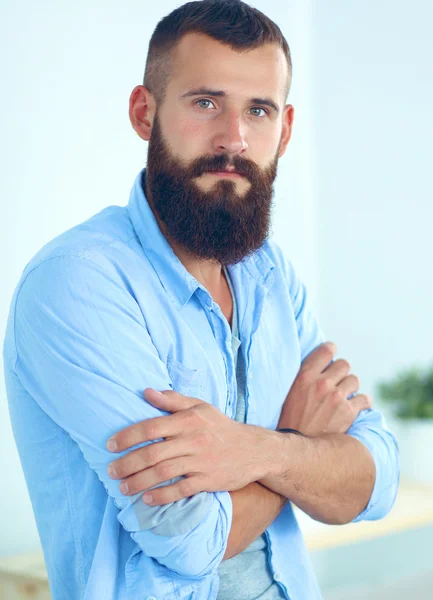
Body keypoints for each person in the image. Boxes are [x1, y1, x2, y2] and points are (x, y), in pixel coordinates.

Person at [2, 1, 399, 599]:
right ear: (145, 112)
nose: (233, 139)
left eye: (258, 110)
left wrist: (256, 452)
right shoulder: (79, 282)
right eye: (206, 102)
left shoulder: (271, 275)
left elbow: (378, 478)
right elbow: (187, 538)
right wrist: (298, 447)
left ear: (284, 130)